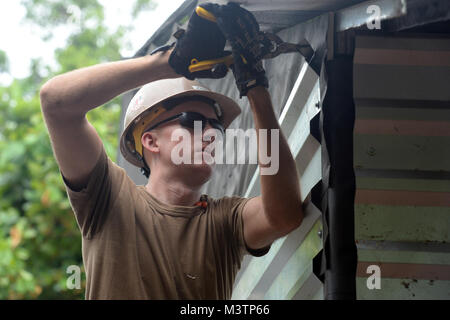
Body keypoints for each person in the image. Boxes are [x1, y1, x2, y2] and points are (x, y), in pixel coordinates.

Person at [39, 2, 303, 299]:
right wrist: (174, 62)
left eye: (215, 127)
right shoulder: (111, 200)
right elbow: (55, 102)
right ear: (150, 141)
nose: (209, 135)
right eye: (192, 122)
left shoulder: (224, 221)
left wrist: (256, 87)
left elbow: (283, 216)